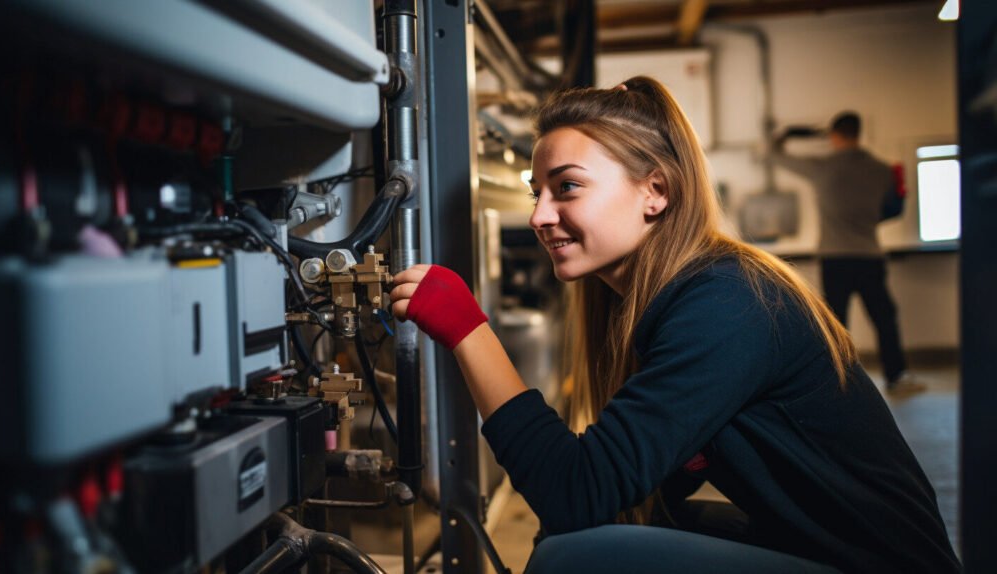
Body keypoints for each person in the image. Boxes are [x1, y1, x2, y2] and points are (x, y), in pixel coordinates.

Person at [390, 77, 959, 573]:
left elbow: (574, 492)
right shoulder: (666, 301)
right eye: (536, 192)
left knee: (572, 559)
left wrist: (468, 330)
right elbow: (619, 492)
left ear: (655, 192)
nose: (540, 215)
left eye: (567, 187)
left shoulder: (728, 301)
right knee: (594, 535)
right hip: (819, 547)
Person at [771, 113, 924, 394]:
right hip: (869, 255)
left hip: (835, 258)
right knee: (884, 318)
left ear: (834, 135)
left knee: (835, 322)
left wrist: (790, 134)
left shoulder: (823, 167)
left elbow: (773, 154)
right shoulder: (881, 170)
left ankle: (836, 379)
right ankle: (896, 375)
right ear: (858, 132)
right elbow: (889, 210)